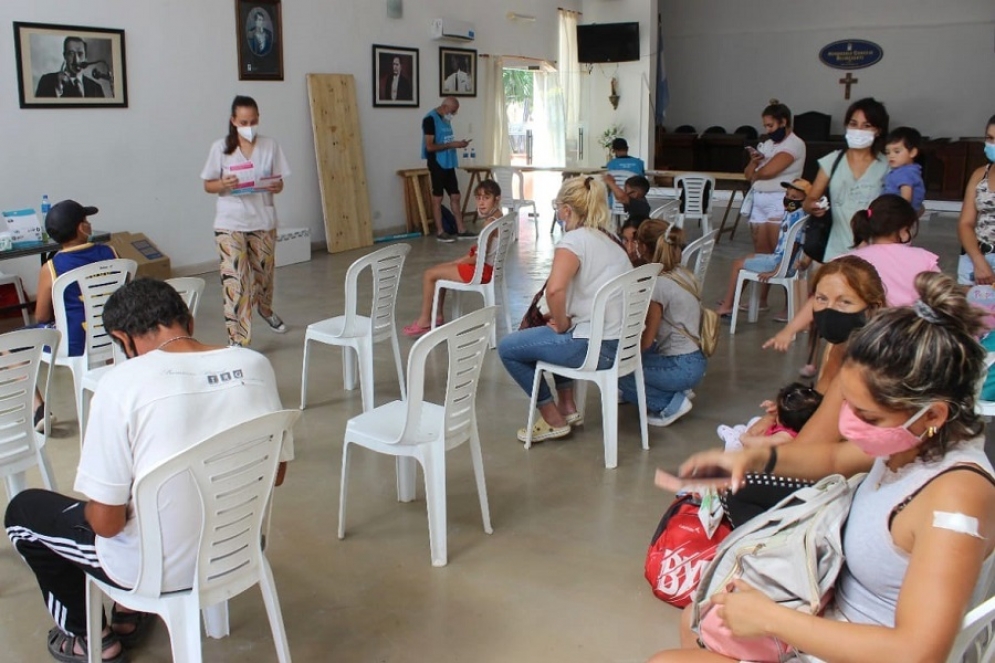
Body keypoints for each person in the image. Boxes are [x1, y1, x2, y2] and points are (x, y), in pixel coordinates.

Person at [649, 272, 995, 663]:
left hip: (860, 650)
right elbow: (832, 458)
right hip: (831, 624)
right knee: (695, 618)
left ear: (932, 412)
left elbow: (917, 652)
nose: (851, 426)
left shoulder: (955, 501)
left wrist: (772, 619)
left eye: (867, 415)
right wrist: (750, 459)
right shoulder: (913, 443)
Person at [4, 278, 294, 663]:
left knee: (23, 512)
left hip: (150, 571)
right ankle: (127, 615)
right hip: (238, 548)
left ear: (122, 339)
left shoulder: (121, 385)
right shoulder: (255, 365)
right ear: (188, 320)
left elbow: (106, 525)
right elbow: (275, 474)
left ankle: (89, 639)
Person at [498, 176, 631, 442]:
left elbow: (555, 290)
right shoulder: (610, 238)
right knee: (555, 332)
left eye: (557, 206)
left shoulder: (573, 242)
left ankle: (552, 418)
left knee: (509, 348)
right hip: (622, 344)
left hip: (597, 348)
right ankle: (568, 408)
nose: (557, 213)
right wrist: (563, 320)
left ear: (568, 209)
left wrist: (562, 323)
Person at [766, 194, 938, 354]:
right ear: (903, 230)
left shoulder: (847, 262)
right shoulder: (924, 258)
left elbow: (819, 300)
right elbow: (943, 298)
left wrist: (789, 331)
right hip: (914, 342)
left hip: (864, 343)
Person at [201, 95, 290, 347]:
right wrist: (224, 183)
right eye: (243, 121)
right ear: (233, 121)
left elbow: (280, 183)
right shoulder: (220, 148)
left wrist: (276, 184)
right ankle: (237, 341)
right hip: (230, 222)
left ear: (258, 118)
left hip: (262, 221)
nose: (248, 126)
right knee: (236, 282)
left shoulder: (270, 146)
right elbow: (208, 185)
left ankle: (265, 309)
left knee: (264, 276)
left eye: (252, 121)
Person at [618, 220, 706, 427]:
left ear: (643, 247)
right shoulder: (683, 274)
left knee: (619, 370)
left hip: (680, 367)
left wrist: (625, 358)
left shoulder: (657, 285)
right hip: (695, 360)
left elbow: (647, 340)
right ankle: (675, 389)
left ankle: (670, 404)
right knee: (640, 360)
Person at [402, 179, 502, 337]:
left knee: (430, 274)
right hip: (488, 269)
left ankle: (424, 321)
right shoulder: (499, 217)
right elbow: (482, 250)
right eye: (478, 198)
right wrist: (458, 261)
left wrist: (459, 262)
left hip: (480, 272)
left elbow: (478, 258)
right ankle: (438, 316)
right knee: (440, 270)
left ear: (497, 199)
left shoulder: (489, 224)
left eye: (486, 198)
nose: (481, 203)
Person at [803, 97, 889, 262]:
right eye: (853, 124)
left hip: (875, 253)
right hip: (835, 251)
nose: (858, 130)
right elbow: (808, 201)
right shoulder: (832, 161)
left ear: (878, 130)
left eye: (867, 126)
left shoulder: (887, 166)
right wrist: (813, 206)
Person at [715, 179, 810, 317]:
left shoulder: (795, 218)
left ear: (805, 200)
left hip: (780, 262)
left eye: (795, 197)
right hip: (781, 260)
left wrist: (778, 269)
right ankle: (732, 301)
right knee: (747, 258)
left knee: (737, 264)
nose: (788, 199)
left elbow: (793, 246)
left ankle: (728, 305)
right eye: (788, 195)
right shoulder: (798, 215)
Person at [744, 100, 806, 262]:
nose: (767, 130)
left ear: (783, 122)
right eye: (765, 126)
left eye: (770, 126)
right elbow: (748, 174)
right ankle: (762, 286)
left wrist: (759, 172)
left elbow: (769, 172)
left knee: (776, 254)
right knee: (761, 255)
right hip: (759, 200)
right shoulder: (767, 144)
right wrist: (754, 162)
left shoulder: (794, 143)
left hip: (778, 200)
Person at [422, 97, 474, 242]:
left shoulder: (446, 119)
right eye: (453, 111)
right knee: (438, 197)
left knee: (455, 196)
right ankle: (440, 231)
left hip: (449, 163)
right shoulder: (430, 120)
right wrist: (452, 145)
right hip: (437, 163)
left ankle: (461, 229)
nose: (454, 114)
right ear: (444, 107)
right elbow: (430, 146)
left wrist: (459, 144)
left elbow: (447, 140)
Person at [718, 382, 823, 452]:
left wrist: (744, 438)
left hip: (758, 457)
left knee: (734, 447)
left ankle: (734, 437)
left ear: (784, 419)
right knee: (755, 420)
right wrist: (773, 414)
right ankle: (738, 432)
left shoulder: (784, 437)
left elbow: (757, 444)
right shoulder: (796, 425)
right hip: (763, 440)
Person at [956, 114, 995, 286]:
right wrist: (979, 261)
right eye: (990, 138)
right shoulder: (980, 175)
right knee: (972, 311)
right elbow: (965, 223)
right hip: (976, 258)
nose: (992, 144)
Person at [35, 36, 105, 98]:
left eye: (80, 54)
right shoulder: (46, 81)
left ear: (85, 56)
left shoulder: (96, 88)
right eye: (71, 54)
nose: (76, 60)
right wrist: (58, 88)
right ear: (64, 56)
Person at [883, 126, 926, 212]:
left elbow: (906, 199)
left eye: (897, 151)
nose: (891, 155)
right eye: (888, 152)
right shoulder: (904, 171)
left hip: (897, 215)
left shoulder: (906, 172)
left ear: (912, 152)